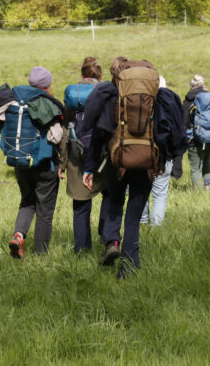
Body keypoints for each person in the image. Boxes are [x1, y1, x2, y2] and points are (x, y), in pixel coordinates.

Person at [81, 57, 186, 276]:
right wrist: (166, 159)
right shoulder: (156, 97)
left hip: (116, 160)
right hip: (147, 162)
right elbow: (168, 131)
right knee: (134, 214)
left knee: (114, 200)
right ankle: (130, 264)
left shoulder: (112, 95)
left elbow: (98, 133)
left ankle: (112, 242)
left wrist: (89, 167)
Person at [0, 66, 66, 258]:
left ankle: (18, 236)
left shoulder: (12, 100)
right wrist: (62, 161)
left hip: (20, 162)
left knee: (27, 201)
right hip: (45, 165)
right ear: (47, 84)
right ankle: (41, 255)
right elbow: (57, 136)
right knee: (44, 210)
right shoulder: (46, 103)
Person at [61, 57, 108, 253]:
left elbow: (65, 131)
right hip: (104, 156)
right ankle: (108, 239)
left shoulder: (73, 95)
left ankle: (82, 249)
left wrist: (62, 163)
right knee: (109, 197)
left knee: (80, 205)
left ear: (81, 74)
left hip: (77, 156)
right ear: (100, 75)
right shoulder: (106, 93)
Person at [140, 76, 173, 226]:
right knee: (160, 194)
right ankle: (156, 226)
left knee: (142, 190)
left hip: (143, 153)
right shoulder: (169, 105)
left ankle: (142, 222)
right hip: (164, 155)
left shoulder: (141, 103)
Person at [182, 74, 210, 190]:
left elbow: (184, 122)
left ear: (191, 87)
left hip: (195, 139)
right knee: (207, 159)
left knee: (196, 168)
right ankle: (207, 186)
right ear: (203, 85)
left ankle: (198, 191)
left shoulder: (188, 101)